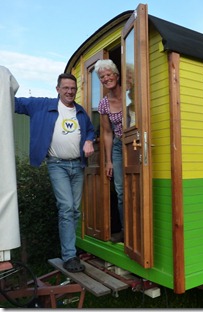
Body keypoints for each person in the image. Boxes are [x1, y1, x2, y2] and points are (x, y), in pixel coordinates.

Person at [14, 73, 95, 273]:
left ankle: (70, 250)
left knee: (75, 209)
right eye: (65, 88)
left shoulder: (81, 112)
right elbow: (15, 103)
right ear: (57, 89)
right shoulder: (42, 105)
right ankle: (69, 256)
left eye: (73, 88)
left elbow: (91, 130)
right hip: (57, 165)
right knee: (67, 207)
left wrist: (89, 140)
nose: (70, 91)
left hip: (78, 166)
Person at [94, 59, 124, 243]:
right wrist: (109, 161)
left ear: (116, 75)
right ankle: (125, 230)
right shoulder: (104, 104)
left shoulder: (132, 94)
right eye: (102, 76)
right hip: (119, 147)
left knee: (138, 188)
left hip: (135, 142)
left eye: (108, 74)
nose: (106, 78)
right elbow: (106, 133)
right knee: (120, 190)